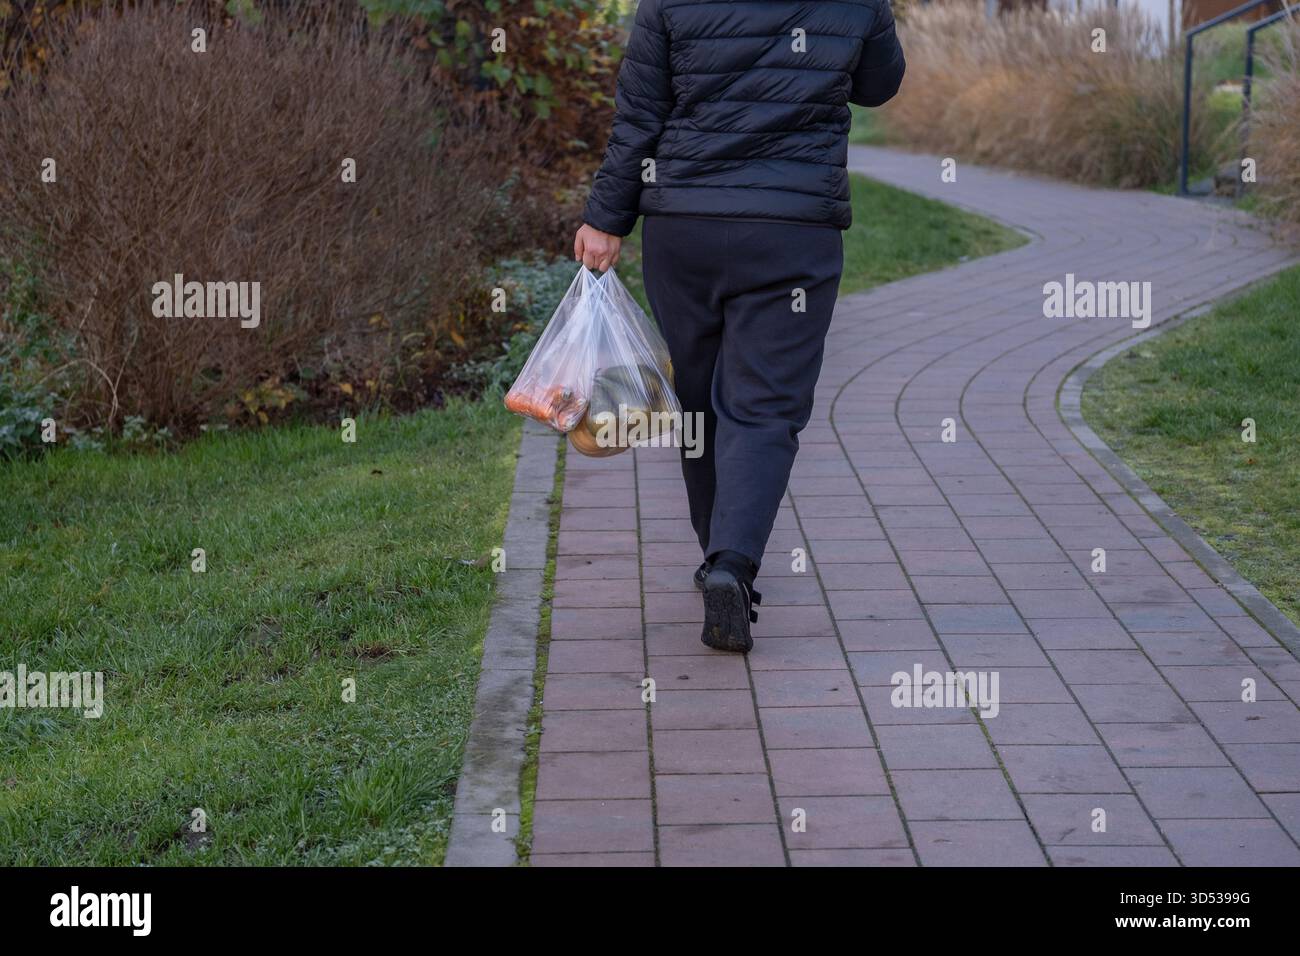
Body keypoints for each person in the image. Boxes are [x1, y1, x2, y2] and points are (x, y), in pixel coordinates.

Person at [573, 0, 905, 653]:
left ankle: (717, 559)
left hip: (685, 227)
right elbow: (878, 85)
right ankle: (731, 562)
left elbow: (641, 112)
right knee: (765, 406)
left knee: (698, 400)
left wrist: (607, 216)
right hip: (792, 234)